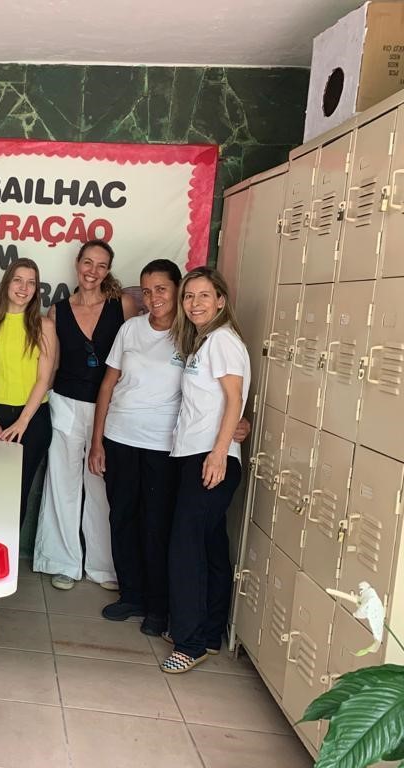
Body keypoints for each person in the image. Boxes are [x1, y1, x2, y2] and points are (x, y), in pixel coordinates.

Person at [87, 259, 185, 635]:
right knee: (122, 518)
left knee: (156, 524)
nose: (153, 297)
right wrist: (97, 441)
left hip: (162, 446)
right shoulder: (131, 329)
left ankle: (158, 607)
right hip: (120, 438)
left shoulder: (190, 335)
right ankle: (131, 595)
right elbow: (108, 385)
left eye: (161, 289)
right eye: (146, 290)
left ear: (177, 289)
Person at [160, 266, 250, 673]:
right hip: (196, 455)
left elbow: (234, 400)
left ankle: (190, 642)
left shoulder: (223, 341)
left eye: (203, 296)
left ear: (220, 301)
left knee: (186, 548)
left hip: (209, 459)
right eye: (189, 296)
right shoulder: (206, 341)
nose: (194, 303)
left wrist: (219, 453)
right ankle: (209, 632)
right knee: (209, 547)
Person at [34, 239, 138, 591]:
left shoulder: (123, 306)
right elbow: (51, 367)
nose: (93, 271)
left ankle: (103, 566)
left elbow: (135, 357)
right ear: (77, 263)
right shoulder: (58, 311)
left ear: (108, 270)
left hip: (109, 407)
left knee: (100, 485)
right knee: (61, 483)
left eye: (101, 265)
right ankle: (61, 561)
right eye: (88, 263)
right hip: (65, 402)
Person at [0, 258, 55, 527]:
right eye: (18, 280)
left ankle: (8, 549)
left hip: (31, 419)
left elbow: (43, 378)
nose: (23, 288)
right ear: (7, 283)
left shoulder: (44, 326)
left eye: (31, 283)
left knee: (17, 493)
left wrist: (22, 422)